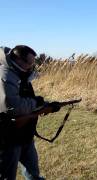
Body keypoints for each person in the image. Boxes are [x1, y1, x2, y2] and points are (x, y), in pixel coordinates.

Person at [0, 45, 60, 180]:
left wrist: (47, 106)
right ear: (16, 59)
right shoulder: (5, 75)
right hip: (8, 136)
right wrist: (37, 104)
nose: (32, 66)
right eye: (29, 63)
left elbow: (28, 100)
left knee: (33, 173)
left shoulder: (20, 73)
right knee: (6, 176)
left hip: (25, 133)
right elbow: (13, 106)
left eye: (33, 62)